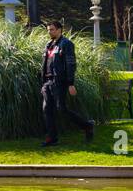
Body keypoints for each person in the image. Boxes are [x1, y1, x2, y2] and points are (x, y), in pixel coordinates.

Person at [40, 19, 94, 147]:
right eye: (48, 30)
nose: (49, 32)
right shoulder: (49, 45)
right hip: (47, 82)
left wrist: (70, 83)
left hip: (59, 81)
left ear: (59, 30)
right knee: (46, 109)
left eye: (52, 30)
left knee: (61, 109)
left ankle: (87, 126)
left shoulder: (66, 44)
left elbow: (71, 64)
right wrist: (43, 83)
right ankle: (52, 138)